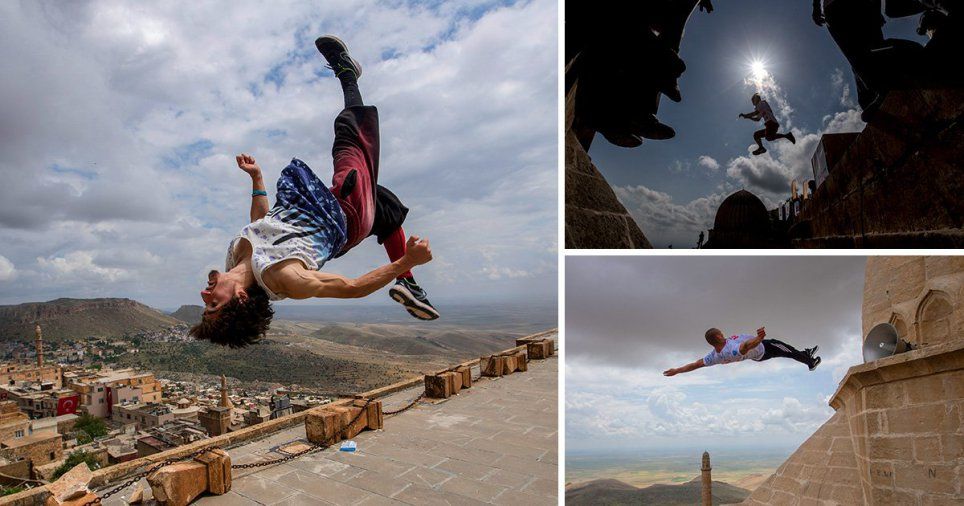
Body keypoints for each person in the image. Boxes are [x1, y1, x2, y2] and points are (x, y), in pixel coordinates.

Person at [191, 36, 440, 348]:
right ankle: (347, 73)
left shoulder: (235, 262)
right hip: (344, 216)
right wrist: (405, 260)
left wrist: (257, 179)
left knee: (385, 206)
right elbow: (351, 287)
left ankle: (409, 284)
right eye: (213, 304)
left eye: (206, 302)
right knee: (349, 139)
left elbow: (262, 225)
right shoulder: (285, 278)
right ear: (240, 299)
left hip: (317, 206)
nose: (205, 293)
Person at [662, 327, 821, 377]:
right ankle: (810, 362)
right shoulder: (731, 350)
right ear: (718, 336)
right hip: (763, 350)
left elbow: (696, 364)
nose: (723, 333)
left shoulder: (714, 356)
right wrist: (758, 339)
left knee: (786, 348)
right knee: (787, 351)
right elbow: (745, 347)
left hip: (761, 347)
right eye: (721, 332)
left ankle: (805, 353)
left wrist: (677, 370)